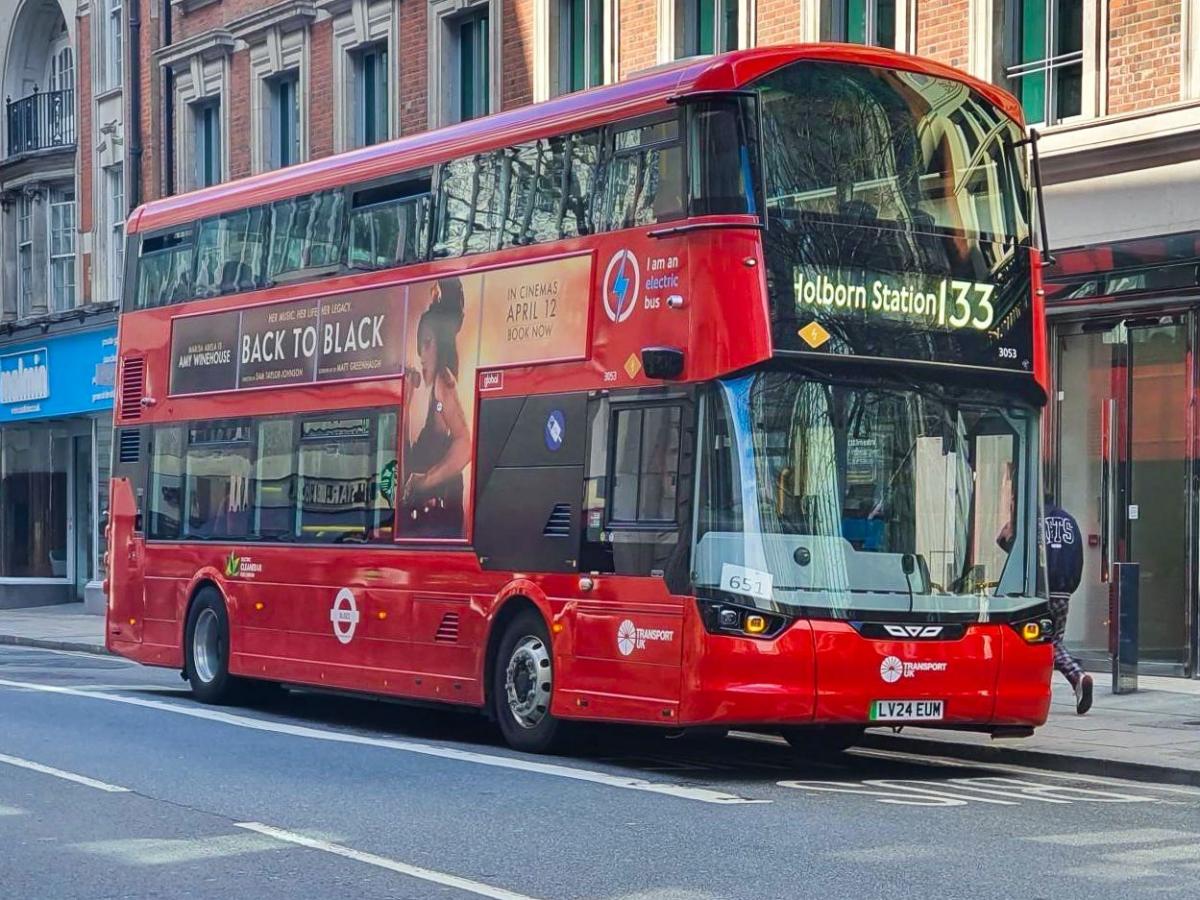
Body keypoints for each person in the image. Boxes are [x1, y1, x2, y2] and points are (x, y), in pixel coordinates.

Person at [402, 278, 471, 539]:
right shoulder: (427, 392)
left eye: (428, 343)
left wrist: (425, 482)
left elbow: (465, 444)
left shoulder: (443, 380)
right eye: (420, 343)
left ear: (440, 345)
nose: (422, 353)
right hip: (429, 521)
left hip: (436, 521)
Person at [1043, 494, 1093, 715]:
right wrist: (1070, 587)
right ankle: (1077, 681)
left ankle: (1077, 676)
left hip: (1040, 592)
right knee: (1053, 641)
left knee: (1045, 642)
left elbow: (1005, 540)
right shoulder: (1070, 521)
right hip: (1063, 591)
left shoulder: (1033, 520)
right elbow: (1078, 557)